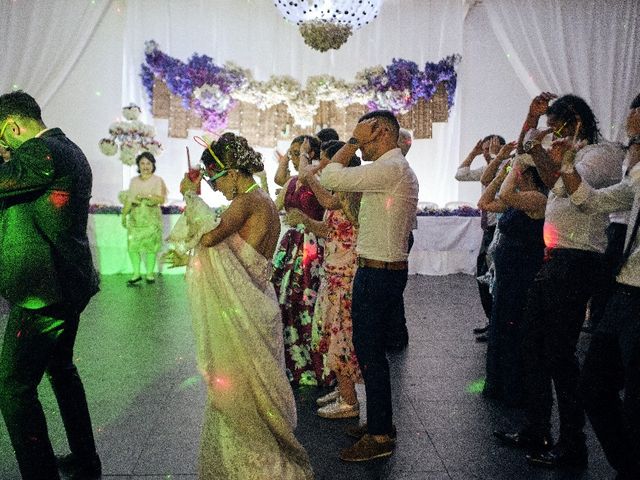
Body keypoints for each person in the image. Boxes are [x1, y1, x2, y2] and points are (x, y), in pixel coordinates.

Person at [165, 132, 314, 480]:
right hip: (259, 299)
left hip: (241, 310)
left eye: (216, 179)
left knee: (239, 389)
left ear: (232, 172)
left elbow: (207, 237)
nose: (216, 188)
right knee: (256, 384)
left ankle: (254, 464)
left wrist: (190, 194)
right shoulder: (263, 199)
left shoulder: (244, 203)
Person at [494, 93, 626, 468]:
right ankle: (537, 427)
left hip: (579, 258)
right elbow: (529, 156)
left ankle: (573, 443)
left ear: (575, 122)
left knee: (559, 353)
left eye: (556, 125)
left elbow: (567, 185)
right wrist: (530, 123)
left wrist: (542, 150)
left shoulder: (601, 155)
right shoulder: (567, 149)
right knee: (532, 344)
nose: (552, 133)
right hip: (555, 257)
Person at [0, 91, 101, 480]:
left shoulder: (41, 153)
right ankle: (85, 459)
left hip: (43, 292)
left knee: (13, 387)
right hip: (65, 284)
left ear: (12, 126)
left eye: (2, 136)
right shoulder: (67, 148)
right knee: (61, 370)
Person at [549, 93, 640, 480]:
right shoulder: (636, 173)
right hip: (625, 290)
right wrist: (568, 167)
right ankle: (629, 465)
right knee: (594, 387)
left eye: (633, 120)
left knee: (635, 400)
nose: (627, 123)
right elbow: (593, 201)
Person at [320, 110, 418, 462]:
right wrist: (358, 138)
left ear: (383, 133)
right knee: (372, 354)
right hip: (380, 270)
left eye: (366, 136)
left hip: (379, 274)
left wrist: (349, 142)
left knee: (371, 354)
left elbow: (332, 175)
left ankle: (379, 435)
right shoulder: (391, 169)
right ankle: (381, 424)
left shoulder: (390, 168)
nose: (362, 143)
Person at [291, 140, 363, 419]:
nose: (321, 167)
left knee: (342, 337)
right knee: (330, 334)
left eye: (325, 162)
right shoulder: (339, 192)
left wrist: (309, 175)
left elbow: (331, 203)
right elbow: (329, 230)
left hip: (347, 276)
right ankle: (344, 391)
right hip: (333, 272)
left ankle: (349, 402)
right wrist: (305, 222)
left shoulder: (351, 193)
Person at [478, 155, 547, 407]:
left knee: (514, 328)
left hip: (523, 272)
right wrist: (501, 173)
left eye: (519, 172)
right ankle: (499, 384)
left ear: (528, 174)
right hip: (508, 274)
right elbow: (484, 202)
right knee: (501, 327)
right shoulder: (518, 201)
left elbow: (506, 195)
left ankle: (515, 389)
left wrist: (514, 168)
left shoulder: (538, 198)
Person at [272, 135, 329, 387]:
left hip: (314, 246)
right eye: (293, 153)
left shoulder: (321, 181)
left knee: (311, 304)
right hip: (291, 245)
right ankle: (293, 362)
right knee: (286, 301)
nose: (295, 158)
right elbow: (273, 207)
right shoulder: (292, 181)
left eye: (300, 153)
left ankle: (317, 365)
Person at [455, 134, 510, 341]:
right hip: (489, 229)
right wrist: (473, 153)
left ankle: (498, 325)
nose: (487, 153)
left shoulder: (507, 167)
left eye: (491, 149)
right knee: (483, 276)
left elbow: (492, 180)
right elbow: (460, 175)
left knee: (493, 277)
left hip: (502, 229)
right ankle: (492, 321)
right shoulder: (488, 169)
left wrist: (497, 157)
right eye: (485, 150)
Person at [385, 127, 417, 350]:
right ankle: (395, 332)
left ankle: (396, 335)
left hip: (398, 233)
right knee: (393, 287)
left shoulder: (398, 171)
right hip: (400, 232)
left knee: (392, 286)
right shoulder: (399, 169)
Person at [121, 151, 168, 284]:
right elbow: (129, 200)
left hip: (151, 217)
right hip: (135, 218)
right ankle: (136, 273)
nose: (145, 166)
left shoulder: (157, 180)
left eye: (148, 163)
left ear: (153, 165)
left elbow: (160, 199)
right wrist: (124, 215)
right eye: (142, 163)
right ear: (138, 165)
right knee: (133, 246)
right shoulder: (134, 181)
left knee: (151, 246)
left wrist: (147, 197)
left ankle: (149, 274)